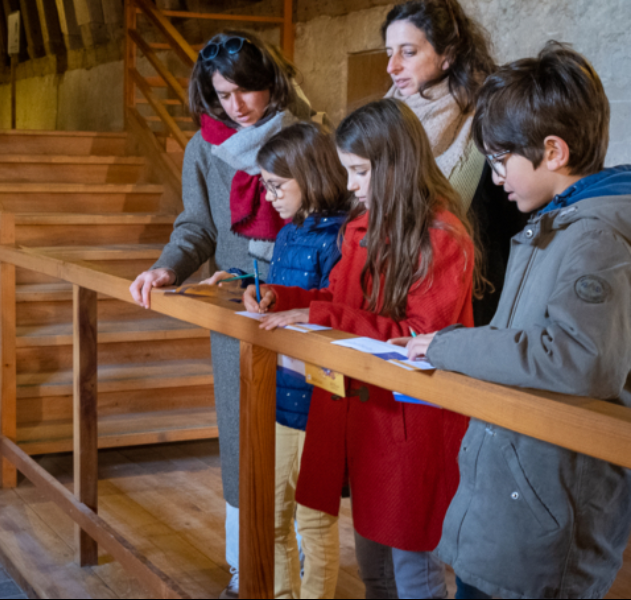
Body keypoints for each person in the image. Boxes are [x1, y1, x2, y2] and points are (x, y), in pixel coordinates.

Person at [403, 42, 631, 600]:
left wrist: (448, 346)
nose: (496, 175)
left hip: (545, 518)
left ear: (552, 151)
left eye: (502, 159)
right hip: (516, 504)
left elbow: (577, 358)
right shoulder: (555, 223)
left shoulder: (597, 235)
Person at [247, 99, 478, 600]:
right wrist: (284, 299)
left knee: (413, 569)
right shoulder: (362, 226)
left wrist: (321, 313)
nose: (350, 185)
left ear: (394, 166)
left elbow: (418, 338)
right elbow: (339, 302)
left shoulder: (440, 237)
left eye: (359, 171)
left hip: (411, 423)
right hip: (366, 413)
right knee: (374, 567)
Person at [128, 30, 312, 599]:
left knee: (299, 445)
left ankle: (298, 572)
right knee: (241, 442)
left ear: (270, 84)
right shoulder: (202, 149)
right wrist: (167, 268)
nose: (235, 106)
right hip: (236, 307)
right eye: (222, 94)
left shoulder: (307, 139)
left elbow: (327, 217)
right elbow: (197, 227)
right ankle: (242, 568)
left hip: (303, 303)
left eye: (245, 91)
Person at [382, 0, 527, 325]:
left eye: (408, 52)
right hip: (392, 300)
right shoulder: (381, 125)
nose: (391, 66)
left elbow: (514, 231)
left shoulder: (489, 123)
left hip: (471, 305)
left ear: (447, 54)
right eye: (388, 52)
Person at [251, 122, 349, 599]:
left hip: (320, 400)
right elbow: (285, 294)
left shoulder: (345, 236)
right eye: (265, 187)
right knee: (270, 516)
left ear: (309, 175)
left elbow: (340, 306)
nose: (269, 197)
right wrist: (263, 293)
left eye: (276, 186)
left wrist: (298, 308)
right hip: (280, 394)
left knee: (313, 522)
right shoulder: (289, 234)